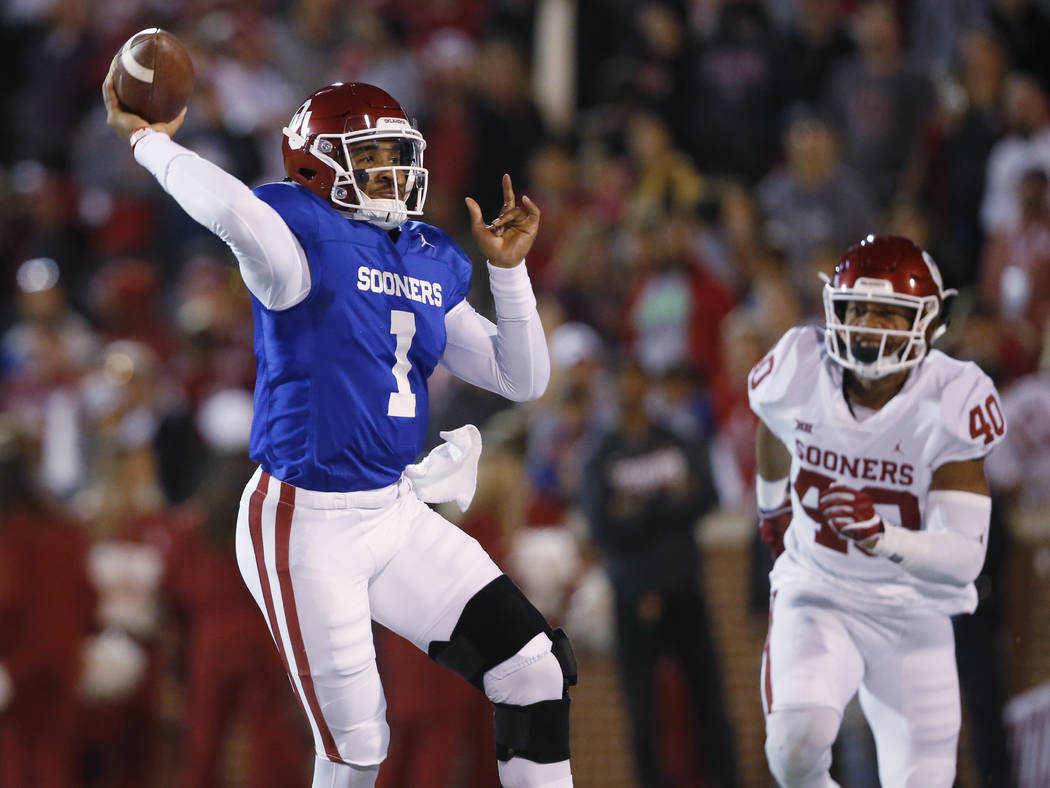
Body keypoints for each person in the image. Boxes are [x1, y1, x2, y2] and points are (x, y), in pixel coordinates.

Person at [103, 67, 575, 788]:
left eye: (396, 154)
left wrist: (509, 275)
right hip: (304, 523)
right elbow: (229, 209)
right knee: (358, 750)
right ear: (314, 162)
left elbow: (523, 378)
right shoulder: (296, 240)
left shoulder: (423, 255)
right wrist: (149, 142)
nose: (390, 171)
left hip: (393, 509)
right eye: (371, 156)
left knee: (534, 667)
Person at [748, 234, 1006, 787]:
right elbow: (771, 425)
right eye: (855, 308)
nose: (867, 324)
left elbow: (965, 559)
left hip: (912, 608)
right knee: (794, 743)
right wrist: (772, 506)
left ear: (927, 320)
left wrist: (883, 536)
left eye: (887, 312)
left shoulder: (952, 399)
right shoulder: (798, 365)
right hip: (819, 589)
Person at [580, 359, 740, 788]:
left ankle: (728, 780)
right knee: (641, 708)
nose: (630, 394)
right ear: (612, 393)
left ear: (646, 386)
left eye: (636, 383)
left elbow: (705, 497)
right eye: (622, 386)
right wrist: (664, 503)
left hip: (684, 585)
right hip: (632, 593)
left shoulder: (677, 438)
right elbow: (600, 524)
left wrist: (637, 509)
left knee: (708, 696)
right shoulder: (601, 451)